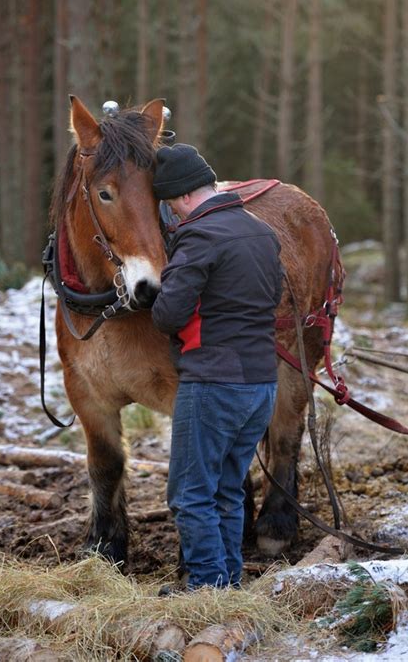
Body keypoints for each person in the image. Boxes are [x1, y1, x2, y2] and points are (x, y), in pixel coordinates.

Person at [151, 143, 283, 590]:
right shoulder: (261, 232)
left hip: (212, 382)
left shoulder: (200, 235)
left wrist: (156, 294)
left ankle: (206, 588)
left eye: (170, 204)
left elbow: (169, 314)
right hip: (262, 384)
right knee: (227, 489)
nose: (172, 213)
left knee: (189, 494)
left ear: (184, 196)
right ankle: (227, 584)